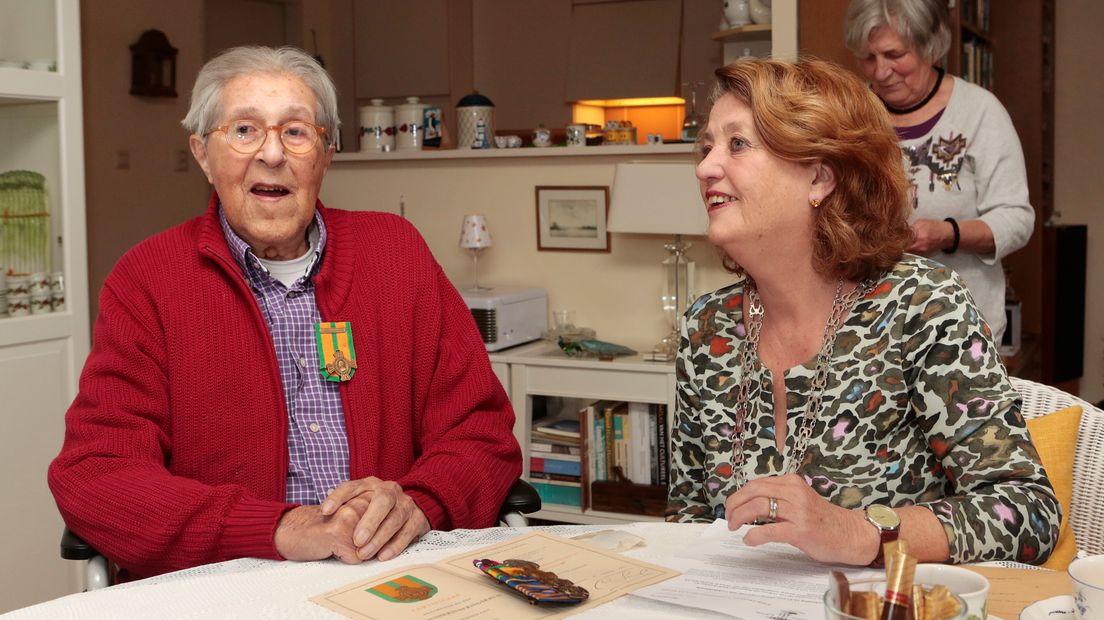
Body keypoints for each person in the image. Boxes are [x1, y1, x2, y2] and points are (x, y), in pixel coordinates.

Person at [48, 46, 521, 580]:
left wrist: (420, 504)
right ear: (203, 154)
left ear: (326, 153)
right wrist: (276, 529)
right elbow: (96, 473)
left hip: (393, 570)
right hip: (229, 581)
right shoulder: (148, 280)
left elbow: (481, 431)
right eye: (245, 130)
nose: (272, 155)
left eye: (296, 132)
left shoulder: (397, 254)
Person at [666, 57, 1060, 567]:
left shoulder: (920, 305)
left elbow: (1027, 513)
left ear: (820, 178)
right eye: (706, 146)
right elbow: (685, 521)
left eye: (737, 144)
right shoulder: (706, 326)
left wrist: (858, 532)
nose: (704, 167)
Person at [843, 0, 1034, 344]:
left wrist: (947, 234)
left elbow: (1017, 219)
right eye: (869, 58)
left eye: (894, 55)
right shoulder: (854, 116)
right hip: (872, 327)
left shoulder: (979, 112)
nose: (880, 72)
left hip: (962, 327)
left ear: (929, 48)